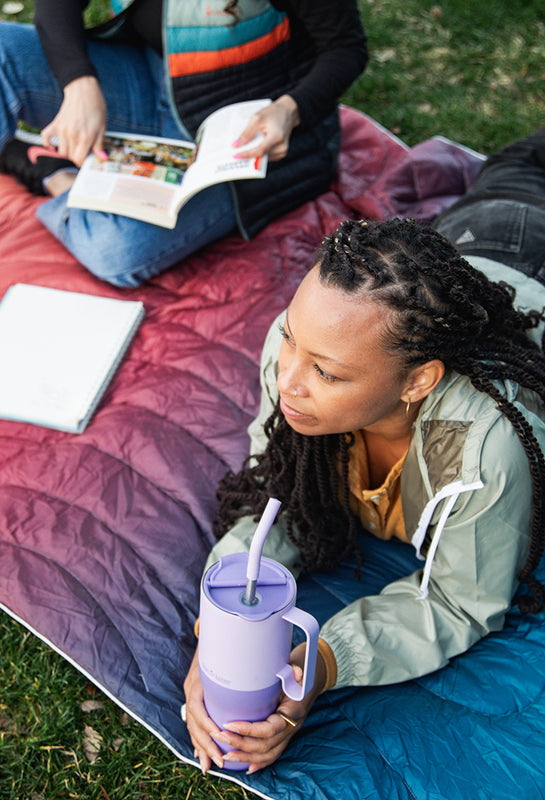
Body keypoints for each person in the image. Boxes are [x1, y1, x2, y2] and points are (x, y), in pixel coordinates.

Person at [183, 127, 545, 774]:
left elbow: (461, 598)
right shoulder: (298, 354)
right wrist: (217, 635)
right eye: (292, 338)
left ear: (418, 382)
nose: (287, 377)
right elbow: (273, 489)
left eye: (325, 371)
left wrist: (324, 663)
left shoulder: (486, 447)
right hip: (471, 232)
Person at [0, 0, 367, 287]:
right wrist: (78, 83)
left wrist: (290, 111)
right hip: (147, 76)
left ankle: (51, 172)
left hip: (246, 132)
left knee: (115, 250)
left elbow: (345, 48)